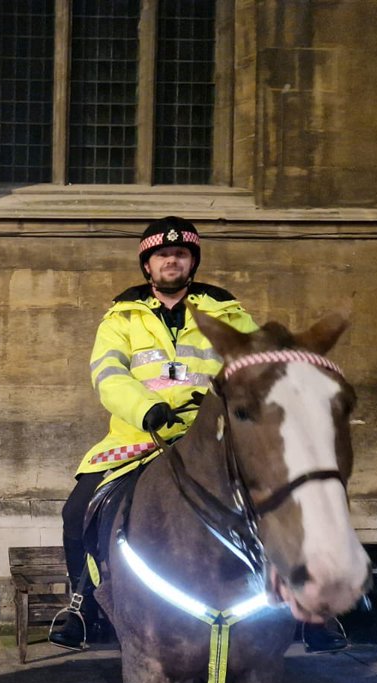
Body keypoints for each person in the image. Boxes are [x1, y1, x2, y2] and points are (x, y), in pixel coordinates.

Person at [52, 217, 348, 655]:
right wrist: (145, 407)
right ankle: (82, 607)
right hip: (141, 436)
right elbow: (108, 373)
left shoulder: (228, 312)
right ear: (147, 265)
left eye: (181, 254)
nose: (171, 260)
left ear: (192, 262)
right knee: (78, 509)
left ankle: (310, 607)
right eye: (162, 255)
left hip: (216, 437)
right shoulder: (121, 318)